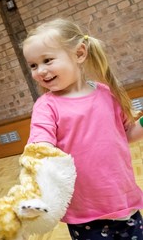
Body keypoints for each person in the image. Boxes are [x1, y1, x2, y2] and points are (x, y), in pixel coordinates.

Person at [22, 18, 143, 239]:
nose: (40, 71)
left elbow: (128, 135)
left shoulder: (107, 93)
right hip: (86, 215)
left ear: (79, 53)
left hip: (125, 203)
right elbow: (40, 146)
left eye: (47, 60)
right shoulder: (46, 106)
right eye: (33, 65)